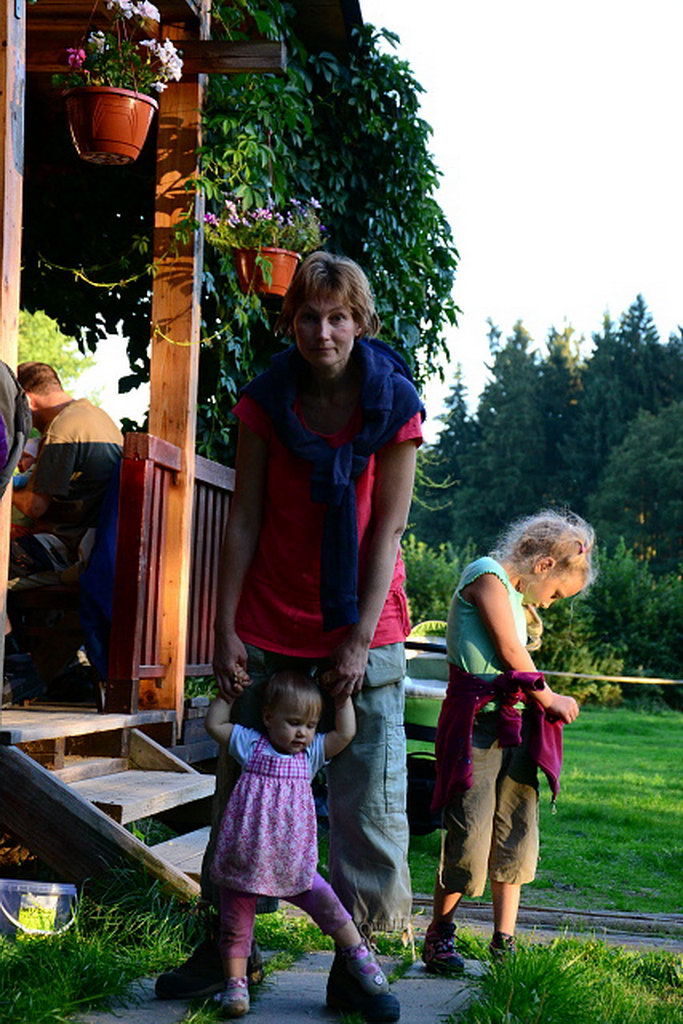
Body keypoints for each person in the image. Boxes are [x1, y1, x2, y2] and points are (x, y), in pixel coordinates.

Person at [156, 251, 424, 1023]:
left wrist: (358, 638)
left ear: (361, 322)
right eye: (308, 315)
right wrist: (224, 627)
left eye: (338, 316)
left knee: (367, 809)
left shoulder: (394, 407)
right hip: (270, 623)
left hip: (362, 627)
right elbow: (242, 517)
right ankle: (225, 950)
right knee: (242, 800)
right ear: (291, 322)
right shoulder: (266, 401)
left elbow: (388, 529)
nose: (322, 331)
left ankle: (357, 966)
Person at [422, 509, 595, 972]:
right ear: (544, 565)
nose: (551, 604)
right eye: (556, 593)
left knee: (516, 830)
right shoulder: (486, 575)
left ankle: (504, 940)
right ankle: (440, 933)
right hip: (475, 730)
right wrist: (550, 696)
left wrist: (535, 702)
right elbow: (509, 651)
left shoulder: (517, 599)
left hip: (513, 726)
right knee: (469, 835)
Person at [206, 669, 391, 1019]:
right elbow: (215, 725)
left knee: (328, 904)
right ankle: (236, 987)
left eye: (310, 725)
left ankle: (357, 953)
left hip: (292, 862)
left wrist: (342, 700)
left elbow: (345, 733)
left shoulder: (311, 754)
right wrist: (226, 697)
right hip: (245, 858)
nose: (302, 733)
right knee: (235, 924)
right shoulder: (251, 745)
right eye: (293, 723)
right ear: (268, 717)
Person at [9, 361, 122, 586]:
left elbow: (34, 506)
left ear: (28, 401)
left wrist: (5, 490)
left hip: (64, 550)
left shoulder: (61, 430)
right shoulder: (97, 416)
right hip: (93, 543)